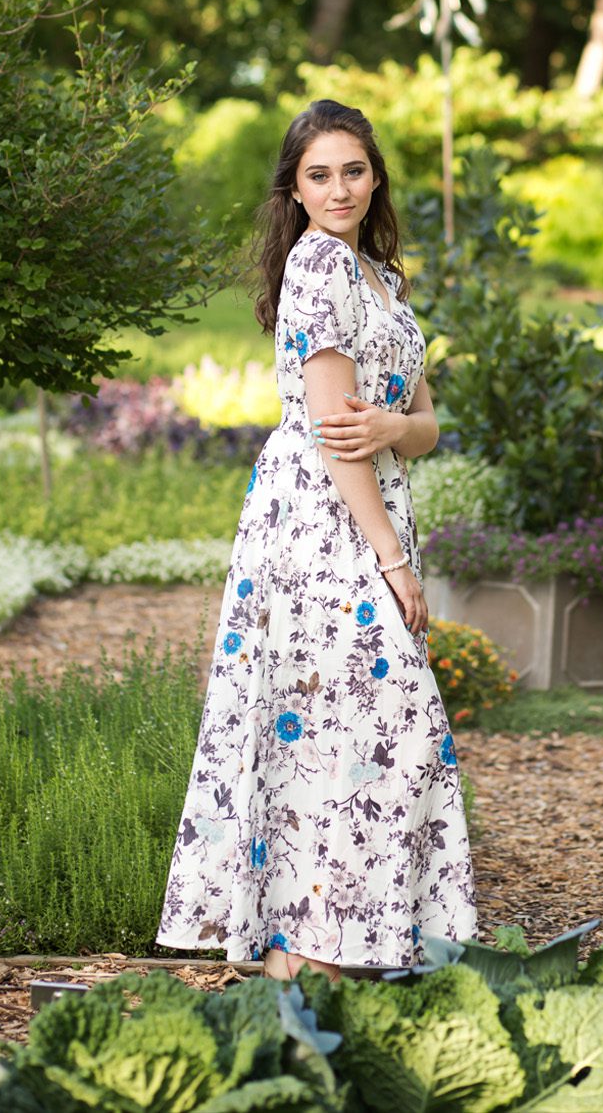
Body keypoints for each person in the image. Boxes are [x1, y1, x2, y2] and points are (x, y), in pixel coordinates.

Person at [155, 99, 476, 980]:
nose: (340, 188)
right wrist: (393, 557)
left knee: (353, 727)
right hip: (321, 528)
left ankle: (327, 948)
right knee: (383, 721)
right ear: (294, 190)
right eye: (319, 174)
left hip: (368, 506)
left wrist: (394, 428)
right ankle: (312, 950)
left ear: (376, 177)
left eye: (354, 170)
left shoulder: (381, 275)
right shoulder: (317, 266)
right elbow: (340, 433)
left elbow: (424, 424)